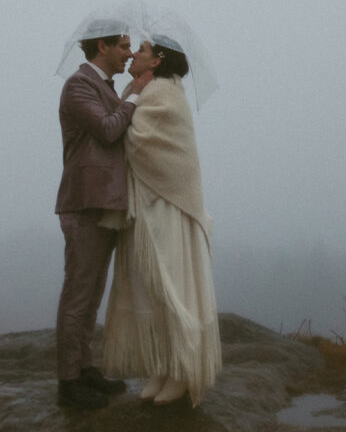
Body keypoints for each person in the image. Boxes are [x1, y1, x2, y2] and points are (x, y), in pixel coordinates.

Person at [102, 37, 222, 407]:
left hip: (168, 206)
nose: (134, 55)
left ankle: (182, 371)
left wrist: (128, 107)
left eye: (141, 50)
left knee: (171, 283)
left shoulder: (166, 94)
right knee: (144, 288)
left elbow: (138, 141)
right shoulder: (140, 90)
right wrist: (131, 98)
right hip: (143, 207)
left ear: (156, 62)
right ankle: (160, 366)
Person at [54, 24, 153, 409]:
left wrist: (128, 95)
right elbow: (109, 131)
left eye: (130, 47)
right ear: (103, 46)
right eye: (124, 46)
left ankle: (85, 368)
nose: (129, 54)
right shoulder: (78, 86)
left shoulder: (108, 88)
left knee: (92, 293)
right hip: (85, 203)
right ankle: (68, 382)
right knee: (78, 293)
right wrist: (136, 95)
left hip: (106, 203)